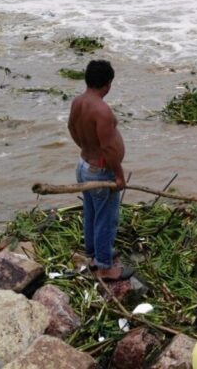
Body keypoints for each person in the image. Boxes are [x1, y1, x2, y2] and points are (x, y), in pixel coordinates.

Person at [68, 60, 133, 281]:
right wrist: (118, 174)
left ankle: (94, 254)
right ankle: (105, 268)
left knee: (92, 213)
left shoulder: (78, 102)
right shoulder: (101, 110)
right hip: (100, 171)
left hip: (84, 166)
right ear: (108, 84)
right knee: (106, 218)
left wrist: (86, 149)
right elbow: (107, 147)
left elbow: (71, 127)